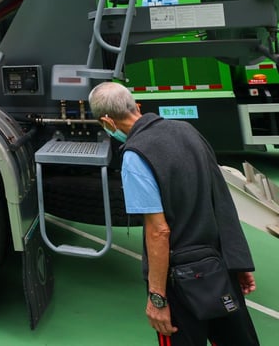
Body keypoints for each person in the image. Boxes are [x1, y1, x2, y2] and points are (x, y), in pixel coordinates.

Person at [88, 82, 259, 345]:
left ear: (107, 122)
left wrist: (157, 299)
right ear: (138, 107)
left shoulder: (135, 156)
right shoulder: (188, 131)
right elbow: (221, 200)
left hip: (181, 282)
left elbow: (159, 231)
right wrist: (237, 263)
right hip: (219, 269)